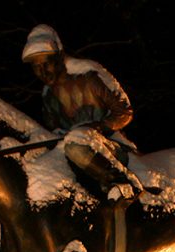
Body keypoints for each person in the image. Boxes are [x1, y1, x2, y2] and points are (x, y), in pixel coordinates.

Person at [22, 24, 144, 203]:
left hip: (110, 149)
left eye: (46, 63)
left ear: (59, 56)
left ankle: (123, 183)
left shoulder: (88, 74)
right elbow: (54, 130)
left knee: (76, 145)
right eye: (36, 67)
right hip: (74, 155)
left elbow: (125, 111)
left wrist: (99, 127)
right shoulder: (48, 94)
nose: (42, 71)